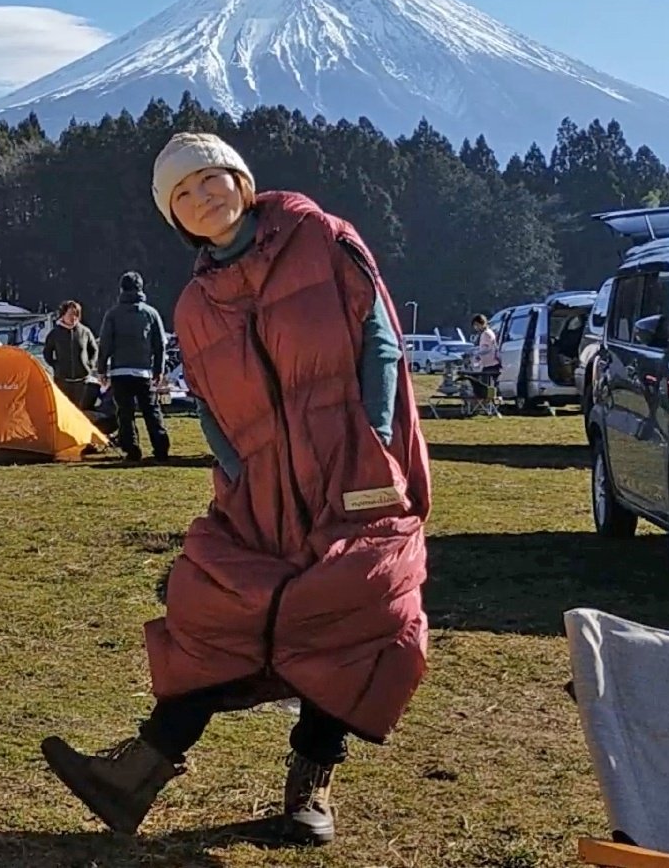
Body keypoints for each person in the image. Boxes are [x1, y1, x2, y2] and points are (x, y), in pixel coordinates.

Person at [41, 133, 431, 845]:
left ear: (240, 178)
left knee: (362, 615)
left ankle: (311, 782)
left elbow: (377, 341)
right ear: (175, 217)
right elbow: (213, 407)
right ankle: (140, 770)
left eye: (210, 178)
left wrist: (371, 448)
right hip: (264, 489)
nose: (202, 197)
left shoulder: (321, 237)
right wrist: (240, 472)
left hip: (357, 472)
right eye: (182, 194)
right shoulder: (194, 304)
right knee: (219, 608)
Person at [95, 271, 171, 462]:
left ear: (121, 289)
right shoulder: (151, 313)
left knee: (125, 413)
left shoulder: (112, 314)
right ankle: (161, 448)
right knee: (151, 411)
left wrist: (101, 369)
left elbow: (105, 344)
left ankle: (132, 449)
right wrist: (158, 370)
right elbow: (160, 344)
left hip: (120, 371)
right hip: (144, 371)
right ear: (141, 288)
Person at [43, 300, 100, 409]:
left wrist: (90, 364)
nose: (73, 317)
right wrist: (56, 366)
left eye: (76, 315)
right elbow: (47, 353)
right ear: (63, 315)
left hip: (82, 381)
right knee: (63, 409)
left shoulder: (85, 332)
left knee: (79, 410)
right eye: (70, 314)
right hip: (62, 380)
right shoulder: (55, 333)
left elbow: (94, 350)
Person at [471, 313, 501, 388]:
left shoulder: (486, 334)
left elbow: (487, 348)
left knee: (485, 387)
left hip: (490, 364)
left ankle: (489, 399)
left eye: (476, 325)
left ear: (481, 323)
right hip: (491, 363)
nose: (476, 327)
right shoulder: (489, 332)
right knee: (493, 385)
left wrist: (477, 353)